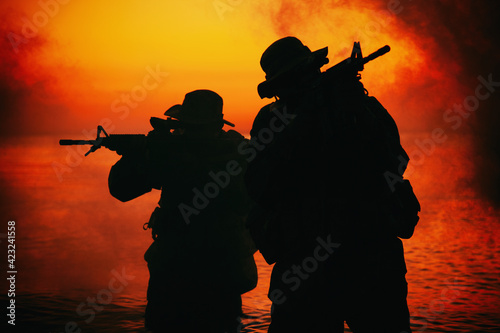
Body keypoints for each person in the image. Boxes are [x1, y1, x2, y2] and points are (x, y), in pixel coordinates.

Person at [245, 37, 419, 332]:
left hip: (369, 258)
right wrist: (304, 121)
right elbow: (260, 185)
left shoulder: (359, 106)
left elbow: (394, 162)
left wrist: (352, 112)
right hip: (305, 266)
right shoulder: (273, 122)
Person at [108, 89, 257, 332]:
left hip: (173, 273)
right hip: (224, 274)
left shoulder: (171, 154)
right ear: (218, 123)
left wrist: (140, 151)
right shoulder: (239, 152)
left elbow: (121, 188)